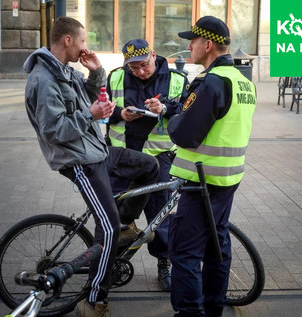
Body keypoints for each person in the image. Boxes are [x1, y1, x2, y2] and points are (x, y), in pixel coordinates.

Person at [23, 17, 159, 317]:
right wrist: (91, 114)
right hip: (79, 161)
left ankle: (124, 226)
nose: (86, 47)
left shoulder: (63, 71)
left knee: (150, 167)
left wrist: (96, 72)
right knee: (106, 227)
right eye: (83, 41)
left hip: (98, 151)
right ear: (68, 40)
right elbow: (53, 130)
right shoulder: (43, 79)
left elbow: (84, 97)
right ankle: (94, 300)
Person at [167, 16, 256, 316]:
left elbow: (184, 134)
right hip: (227, 180)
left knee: (185, 254)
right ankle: (214, 307)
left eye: (192, 40)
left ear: (207, 45)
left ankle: (190, 313)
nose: (188, 46)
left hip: (200, 182)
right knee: (217, 248)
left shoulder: (212, 82)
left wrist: (172, 118)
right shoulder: (243, 81)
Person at [106, 39, 189, 291]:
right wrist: (120, 113)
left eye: (144, 65)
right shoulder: (116, 77)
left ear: (154, 55)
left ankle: (164, 264)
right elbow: (100, 109)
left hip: (158, 158)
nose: (140, 72)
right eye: (134, 68)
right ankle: (112, 264)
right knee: (117, 216)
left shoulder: (176, 79)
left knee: (160, 215)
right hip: (123, 157)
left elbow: (187, 111)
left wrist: (165, 107)